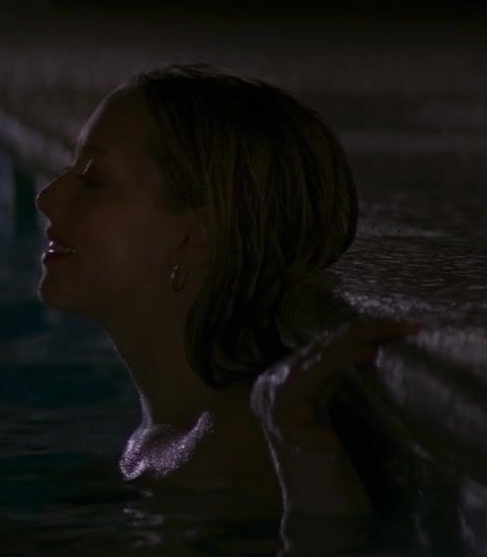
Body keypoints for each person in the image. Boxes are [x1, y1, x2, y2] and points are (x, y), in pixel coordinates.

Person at [35, 64, 418, 548]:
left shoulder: (234, 443)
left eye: (92, 179)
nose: (48, 198)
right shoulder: (168, 441)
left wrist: (296, 440)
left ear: (196, 235)